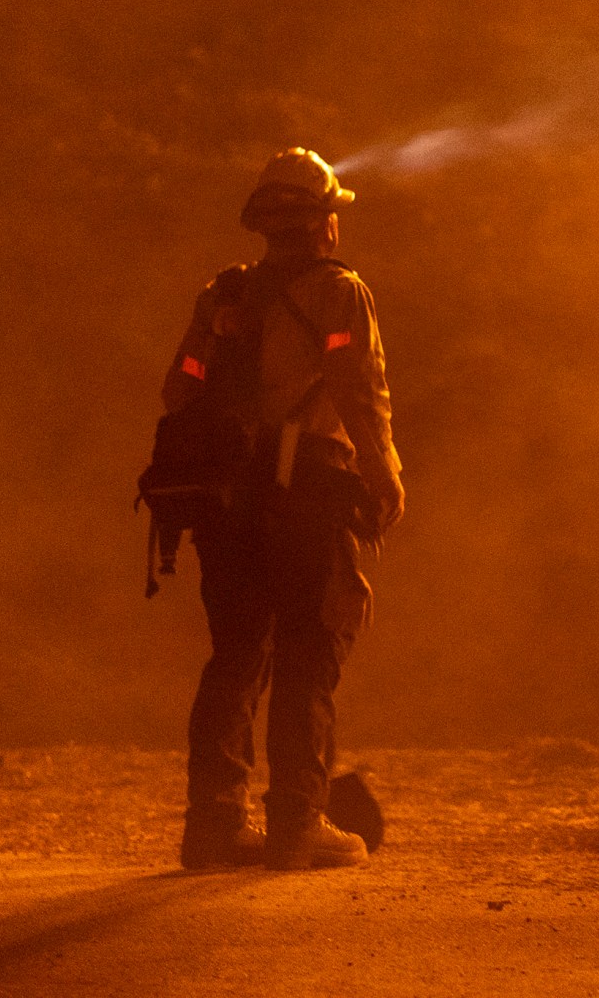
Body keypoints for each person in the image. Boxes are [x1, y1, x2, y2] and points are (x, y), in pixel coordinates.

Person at [160, 147, 405, 870]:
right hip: (308, 488)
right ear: (323, 225)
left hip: (228, 496)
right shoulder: (339, 294)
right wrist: (385, 473)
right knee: (308, 651)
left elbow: (180, 391)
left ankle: (213, 827)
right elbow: (356, 384)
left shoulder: (223, 297)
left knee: (236, 655)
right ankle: (299, 821)